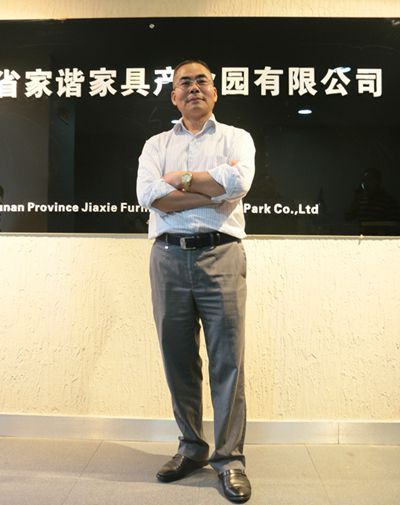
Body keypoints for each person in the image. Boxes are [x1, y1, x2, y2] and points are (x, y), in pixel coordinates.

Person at [136, 59, 255, 503]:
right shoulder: (156, 144)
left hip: (221, 254)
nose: (193, 88)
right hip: (168, 259)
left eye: (201, 80)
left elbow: (238, 182)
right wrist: (209, 190)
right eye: (183, 82)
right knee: (178, 359)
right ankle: (191, 447)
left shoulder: (236, 138)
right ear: (173, 96)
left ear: (215, 91)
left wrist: (179, 182)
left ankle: (230, 459)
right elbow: (149, 195)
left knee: (228, 361)